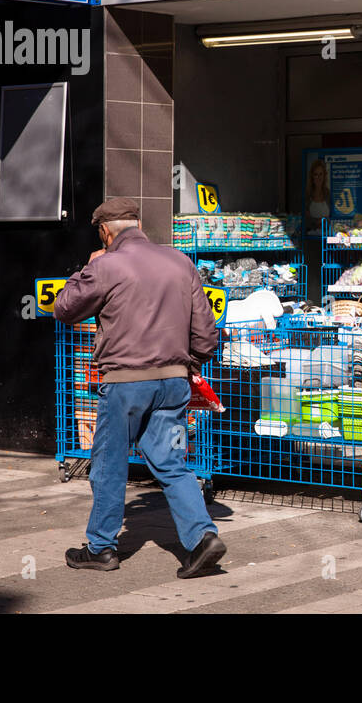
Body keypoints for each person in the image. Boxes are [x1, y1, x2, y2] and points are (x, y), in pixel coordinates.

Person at [53, 198, 226, 579]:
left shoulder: (106, 265)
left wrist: (89, 266)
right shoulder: (180, 261)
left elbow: (64, 308)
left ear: (104, 231)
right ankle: (202, 539)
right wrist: (188, 365)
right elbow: (206, 336)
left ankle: (101, 548)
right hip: (174, 382)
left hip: (126, 384)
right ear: (138, 223)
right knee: (171, 464)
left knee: (110, 465)